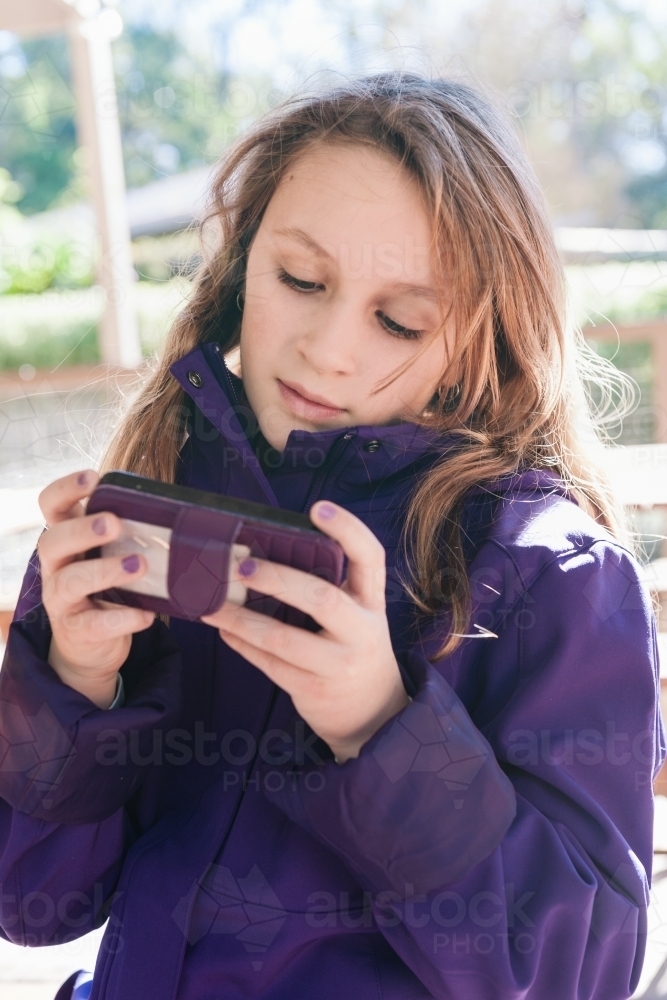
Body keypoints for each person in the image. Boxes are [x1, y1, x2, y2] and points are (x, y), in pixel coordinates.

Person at [0, 74, 663, 1000]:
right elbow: (33, 902)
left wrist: (381, 726)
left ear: (479, 337)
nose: (329, 348)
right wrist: (73, 684)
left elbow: (580, 974)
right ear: (237, 272)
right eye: (300, 280)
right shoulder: (151, 518)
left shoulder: (553, 575)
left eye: (399, 320)